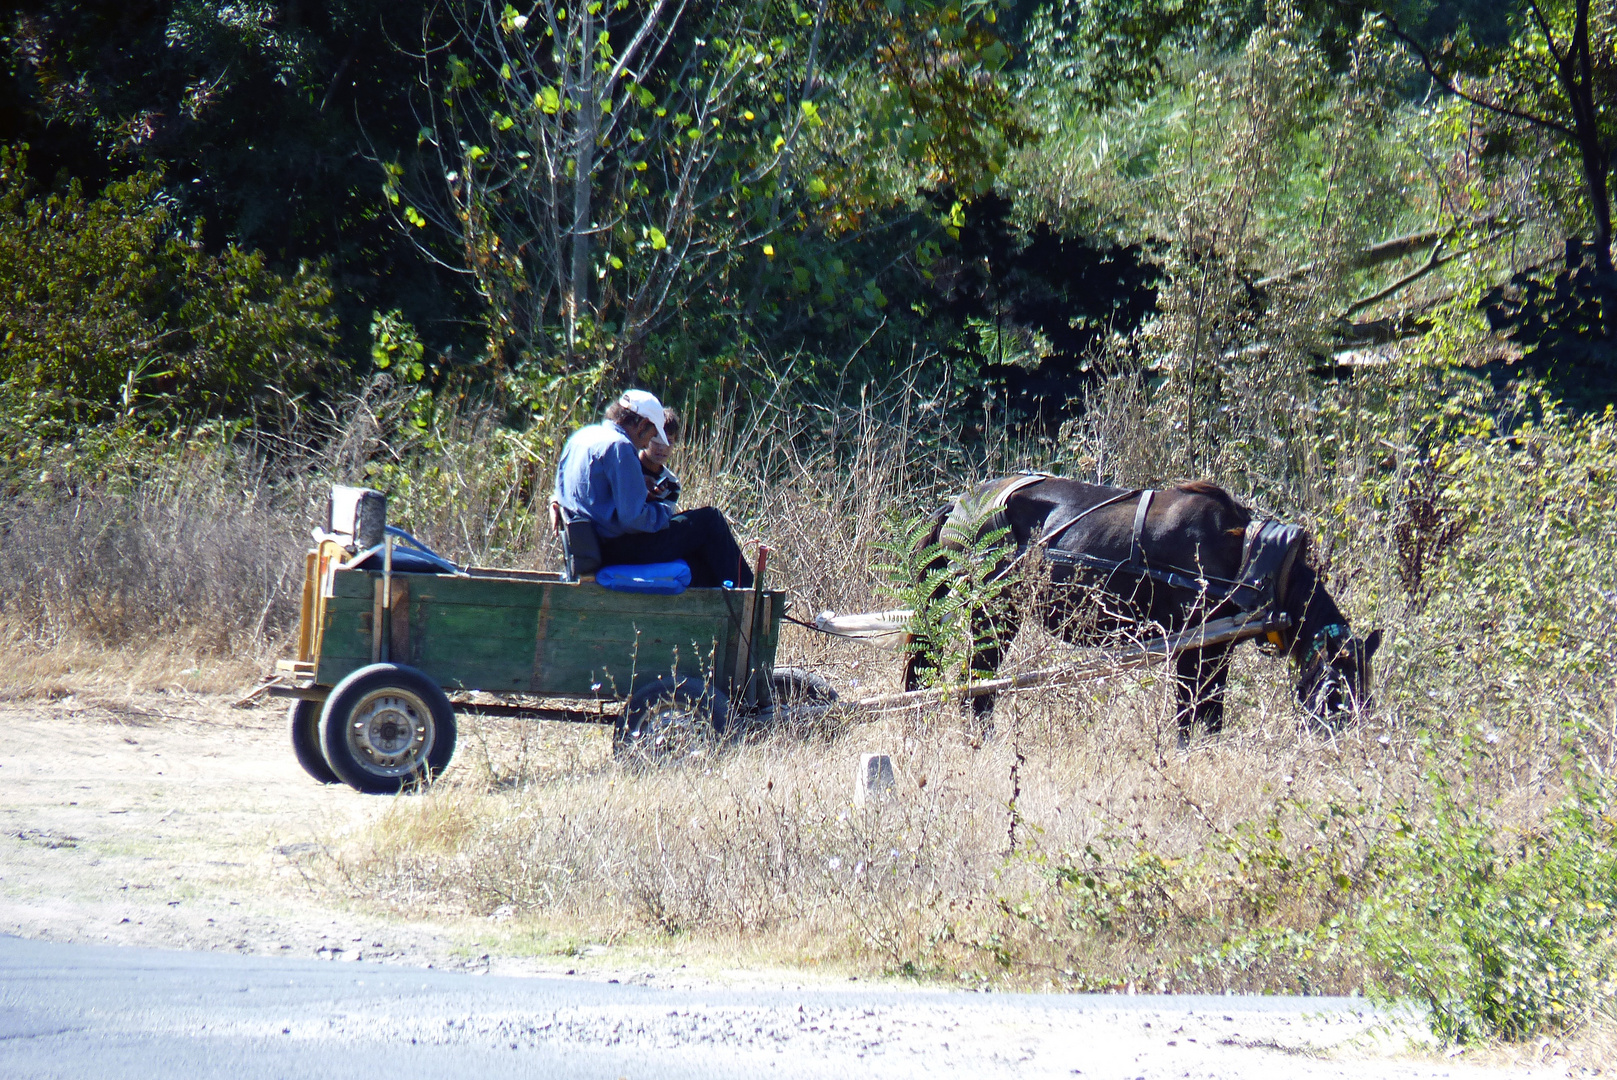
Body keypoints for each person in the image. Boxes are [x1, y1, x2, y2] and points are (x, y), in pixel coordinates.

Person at [553, 390, 753, 587]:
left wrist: (639, 491)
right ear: (641, 424)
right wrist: (664, 512)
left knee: (700, 565)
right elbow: (633, 519)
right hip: (618, 546)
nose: (649, 441)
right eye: (652, 433)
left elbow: (568, 494)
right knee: (710, 520)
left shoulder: (582, 437)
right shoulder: (620, 446)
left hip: (593, 545)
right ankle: (749, 596)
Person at [640, 406, 681, 507]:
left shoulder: (672, 483)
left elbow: (664, 520)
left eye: (669, 442)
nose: (662, 448)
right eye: (657, 441)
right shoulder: (628, 465)